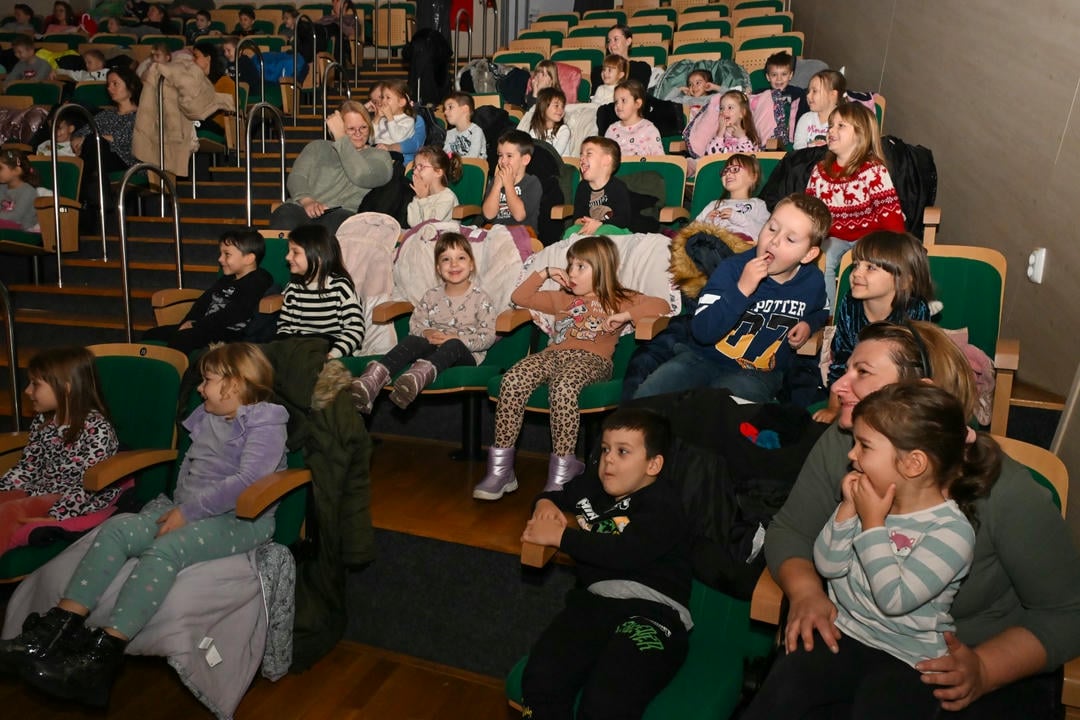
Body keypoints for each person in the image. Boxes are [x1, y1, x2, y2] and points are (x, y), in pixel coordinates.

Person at [765, 320, 1080, 719]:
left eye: (863, 372)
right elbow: (792, 529)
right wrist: (807, 592)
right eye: (846, 369)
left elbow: (1067, 613)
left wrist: (985, 669)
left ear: (922, 394)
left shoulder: (1007, 492)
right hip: (856, 636)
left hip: (955, 663)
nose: (839, 386)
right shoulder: (846, 444)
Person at [2, 343, 288, 708]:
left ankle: (102, 658)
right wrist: (180, 508)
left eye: (208, 380)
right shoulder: (211, 415)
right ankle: (56, 629)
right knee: (119, 527)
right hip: (191, 509)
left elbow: (249, 480)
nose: (200, 389)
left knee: (165, 548)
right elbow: (194, 471)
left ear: (235, 384)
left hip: (243, 519)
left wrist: (188, 513)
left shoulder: (265, 421)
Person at [743, 383, 1000, 719]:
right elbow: (829, 566)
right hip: (846, 631)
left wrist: (872, 523)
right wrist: (847, 511)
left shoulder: (951, 531)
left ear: (913, 464)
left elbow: (894, 599)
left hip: (909, 659)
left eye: (864, 446)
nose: (852, 455)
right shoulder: (868, 500)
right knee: (782, 690)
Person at [519, 407, 691, 719]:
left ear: (653, 464)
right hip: (593, 605)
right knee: (541, 679)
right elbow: (557, 497)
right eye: (605, 449)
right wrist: (543, 504)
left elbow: (625, 552)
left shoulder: (664, 504)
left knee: (607, 698)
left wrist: (561, 537)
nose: (609, 460)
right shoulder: (591, 488)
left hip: (652, 614)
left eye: (623, 452)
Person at [473, 235, 669, 500]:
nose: (571, 273)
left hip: (592, 360)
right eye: (570, 265)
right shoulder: (562, 298)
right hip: (553, 355)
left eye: (580, 267)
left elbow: (661, 305)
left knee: (563, 386)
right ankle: (501, 471)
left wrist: (626, 315)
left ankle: (563, 470)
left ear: (602, 269)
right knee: (512, 380)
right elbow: (520, 296)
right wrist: (545, 272)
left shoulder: (619, 298)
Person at [633, 193, 830, 403]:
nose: (774, 241)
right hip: (703, 358)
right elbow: (702, 331)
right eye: (772, 228)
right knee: (649, 394)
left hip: (758, 374)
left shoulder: (813, 281)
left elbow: (822, 311)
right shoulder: (732, 269)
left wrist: (808, 324)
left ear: (808, 255)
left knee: (720, 407)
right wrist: (741, 290)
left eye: (790, 239)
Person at [351, 232, 498, 412]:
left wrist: (456, 338)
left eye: (461, 258)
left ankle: (415, 379)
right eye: (446, 259)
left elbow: (488, 336)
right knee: (413, 340)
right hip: (431, 348)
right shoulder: (431, 295)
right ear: (438, 268)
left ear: (471, 264)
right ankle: (372, 381)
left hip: (464, 354)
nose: (453, 264)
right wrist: (426, 332)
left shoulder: (481, 298)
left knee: (453, 344)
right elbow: (416, 324)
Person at [0, 347, 119, 554]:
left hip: (74, 498)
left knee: (10, 511)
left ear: (66, 388)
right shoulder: (43, 421)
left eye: (35, 384)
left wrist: (56, 516)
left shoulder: (97, 429)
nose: (27, 391)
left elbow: (88, 486)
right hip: (41, 489)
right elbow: (27, 468)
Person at [813, 231, 933, 424]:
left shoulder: (915, 310)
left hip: (897, 391)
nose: (856, 273)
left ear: (903, 281)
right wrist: (834, 407)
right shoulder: (850, 304)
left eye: (870, 268)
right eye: (856, 265)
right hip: (854, 379)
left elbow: (915, 369)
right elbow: (842, 359)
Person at [805, 102, 906, 310]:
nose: (831, 130)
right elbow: (809, 212)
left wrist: (899, 247)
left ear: (860, 134)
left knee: (870, 264)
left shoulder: (873, 170)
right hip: (834, 236)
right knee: (823, 259)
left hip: (870, 236)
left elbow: (889, 213)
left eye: (840, 126)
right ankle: (829, 313)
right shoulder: (819, 171)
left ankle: (872, 313)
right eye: (830, 126)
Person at [269, 101, 394, 233]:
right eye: (351, 129)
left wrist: (342, 139)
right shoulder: (317, 147)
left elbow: (362, 176)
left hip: (342, 214)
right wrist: (307, 201)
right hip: (303, 208)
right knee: (284, 214)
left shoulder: (380, 156)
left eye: (363, 127)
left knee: (339, 224)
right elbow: (297, 177)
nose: (358, 133)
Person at [142, 229, 274, 354]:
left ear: (249, 259)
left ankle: (175, 368)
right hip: (204, 327)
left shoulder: (258, 280)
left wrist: (197, 325)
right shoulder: (227, 278)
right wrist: (187, 322)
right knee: (151, 334)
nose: (220, 259)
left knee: (183, 338)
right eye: (221, 254)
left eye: (227, 254)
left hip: (230, 334)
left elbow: (236, 312)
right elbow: (202, 303)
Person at [276, 224, 366, 360]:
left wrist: (333, 355)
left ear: (318, 256)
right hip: (300, 345)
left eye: (295, 252)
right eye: (289, 252)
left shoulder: (340, 287)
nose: (288, 257)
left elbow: (355, 328)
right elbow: (284, 327)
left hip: (331, 346)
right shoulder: (293, 287)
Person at [71, 67, 141, 209]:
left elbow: (126, 139)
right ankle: (99, 198)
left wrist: (95, 138)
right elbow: (80, 134)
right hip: (101, 159)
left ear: (131, 86)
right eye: (108, 85)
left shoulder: (142, 115)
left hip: (128, 160)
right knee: (94, 144)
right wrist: (80, 139)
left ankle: (85, 200)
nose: (110, 88)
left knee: (95, 142)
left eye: (115, 84)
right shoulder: (106, 115)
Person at [692, 153, 770, 243]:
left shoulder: (758, 204)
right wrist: (707, 222)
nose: (728, 173)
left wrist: (737, 217)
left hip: (742, 245)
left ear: (753, 177)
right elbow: (691, 230)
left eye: (735, 169)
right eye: (725, 171)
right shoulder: (714, 204)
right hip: (712, 243)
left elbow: (765, 232)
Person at [481, 130, 542, 234]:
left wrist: (508, 184)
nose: (503, 161)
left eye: (509, 156)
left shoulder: (532, 183)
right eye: (500, 155)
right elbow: (488, 215)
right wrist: (497, 185)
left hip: (523, 234)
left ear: (525, 160)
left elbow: (519, 216)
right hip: (496, 233)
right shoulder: (496, 182)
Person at [573, 136, 631, 235]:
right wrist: (586, 224)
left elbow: (623, 220)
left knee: (604, 232)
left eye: (589, 153)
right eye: (581, 154)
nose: (582, 158)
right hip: (587, 228)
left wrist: (599, 223)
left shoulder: (618, 187)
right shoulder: (582, 187)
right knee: (570, 232)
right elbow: (577, 218)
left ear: (606, 160)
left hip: (613, 228)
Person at [754, 51, 808, 146]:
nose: (779, 79)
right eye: (774, 75)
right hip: (767, 140)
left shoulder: (798, 93)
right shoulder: (761, 94)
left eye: (784, 74)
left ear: (790, 75)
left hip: (792, 141)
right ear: (768, 77)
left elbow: (804, 117)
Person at [604, 79, 663, 158]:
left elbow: (660, 160)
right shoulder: (612, 130)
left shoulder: (649, 129)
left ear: (637, 103)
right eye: (616, 102)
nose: (618, 105)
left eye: (623, 100)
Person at [405, 146, 462, 226]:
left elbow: (430, 223)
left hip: (444, 233)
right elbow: (414, 224)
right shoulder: (420, 195)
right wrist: (418, 198)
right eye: (415, 167)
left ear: (438, 172)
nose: (414, 172)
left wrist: (423, 199)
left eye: (421, 167)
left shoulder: (447, 197)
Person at [371, 79, 423, 165]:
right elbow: (371, 138)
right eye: (383, 97)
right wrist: (377, 118)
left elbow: (398, 138)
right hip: (377, 150)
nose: (383, 101)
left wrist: (390, 118)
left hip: (394, 155)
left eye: (388, 98)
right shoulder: (382, 119)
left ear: (401, 102)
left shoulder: (408, 120)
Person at [794, 69, 846, 150]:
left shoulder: (844, 121)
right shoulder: (805, 119)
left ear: (832, 95)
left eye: (814, 91)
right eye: (809, 91)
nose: (808, 95)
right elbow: (798, 147)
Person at [591, 25, 651, 89]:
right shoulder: (599, 71)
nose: (611, 44)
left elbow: (638, 92)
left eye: (616, 39)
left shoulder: (641, 68)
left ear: (628, 41)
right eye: (609, 41)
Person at [705, 89, 761, 156]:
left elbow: (749, 158)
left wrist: (742, 138)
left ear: (742, 113)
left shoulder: (751, 138)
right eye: (721, 108)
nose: (724, 111)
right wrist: (720, 134)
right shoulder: (718, 137)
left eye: (730, 107)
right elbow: (710, 158)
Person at [0, 149, 39, 231]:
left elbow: (16, 216)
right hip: (6, 225)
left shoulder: (28, 191)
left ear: (17, 171)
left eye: (0, 168)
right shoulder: (2, 187)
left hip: (25, 230)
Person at [528, 87, 572, 156]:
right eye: (556, 106)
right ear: (543, 107)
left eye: (562, 106)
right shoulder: (535, 131)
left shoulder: (563, 130)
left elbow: (555, 155)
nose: (561, 110)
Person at [442, 92, 486, 159]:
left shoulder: (476, 131)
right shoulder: (449, 134)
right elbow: (446, 157)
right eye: (445, 109)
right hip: (455, 165)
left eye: (450, 107)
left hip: (473, 165)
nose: (445, 112)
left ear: (465, 109)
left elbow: (473, 157)